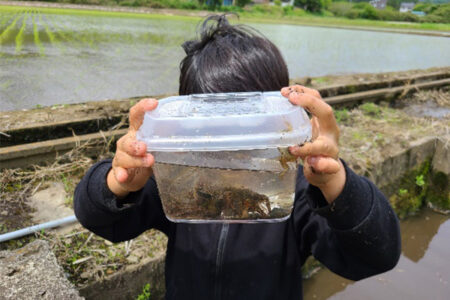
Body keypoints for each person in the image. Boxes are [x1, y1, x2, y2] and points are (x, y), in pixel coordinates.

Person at [74, 15, 401, 300]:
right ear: (192, 125)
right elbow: (97, 217)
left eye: (249, 128)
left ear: (277, 120)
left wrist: (334, 181)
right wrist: (119, 182)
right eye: (214, 132)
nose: (231, 148)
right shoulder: (177, 179)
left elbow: (377, 256)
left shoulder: (295, 191)